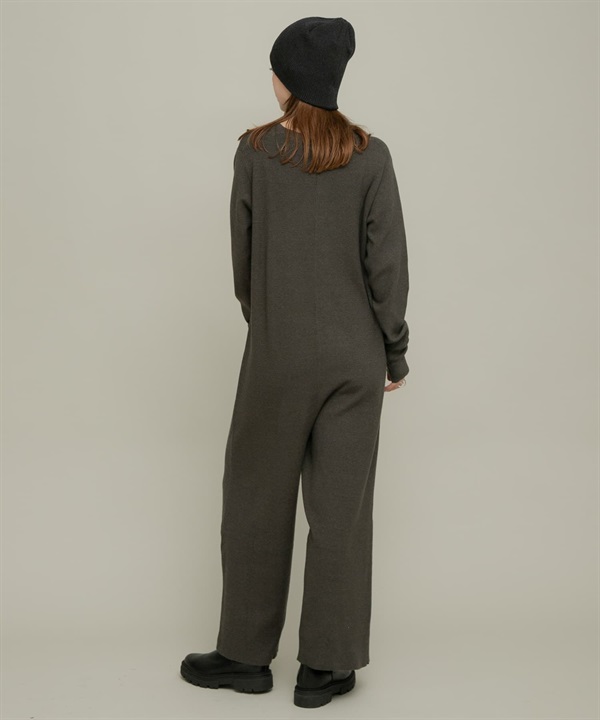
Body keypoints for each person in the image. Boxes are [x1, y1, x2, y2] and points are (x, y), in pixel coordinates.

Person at [180, 15, 410, 709]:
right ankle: (326, 669)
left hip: (277, 354)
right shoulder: (371, 157)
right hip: (354, 360)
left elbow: (243, 264)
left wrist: (271, 322)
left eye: (274, 68)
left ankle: (244, 657)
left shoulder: (255, 152)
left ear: (287, 80)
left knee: (256, 497)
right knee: (341, 512)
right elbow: (387, 268)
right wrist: (393, 350)